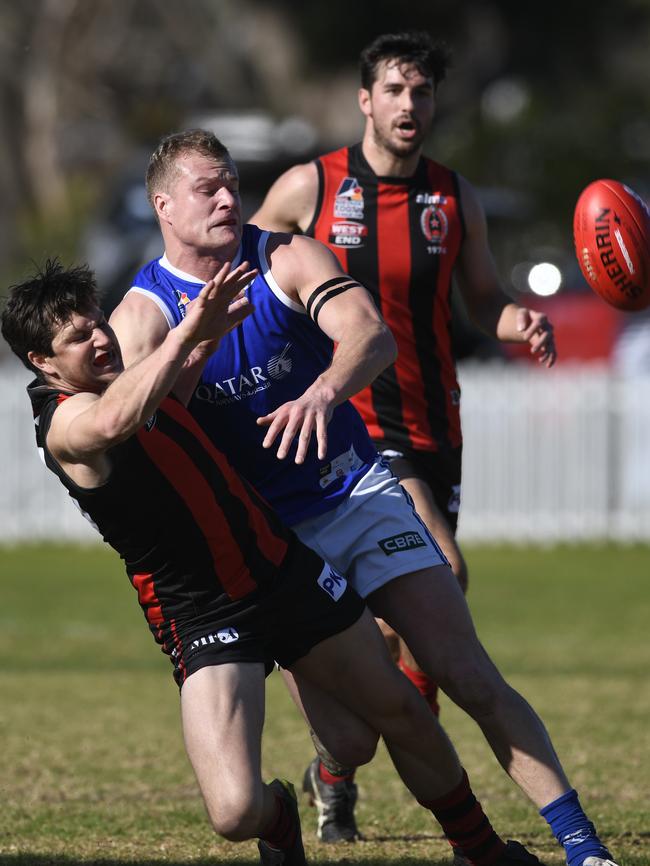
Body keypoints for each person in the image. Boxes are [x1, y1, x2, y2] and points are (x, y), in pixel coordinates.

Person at [108, 129, 617, 866]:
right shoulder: (142, 314)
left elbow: (371, 336)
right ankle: (320, 780)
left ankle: (580, 842)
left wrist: (322, 392)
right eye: (206, 189)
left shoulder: (282, 255)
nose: (227, 198)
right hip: (275, 544)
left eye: (230, 185)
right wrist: (197, 342)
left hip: (355, 491)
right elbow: (146, 433)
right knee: (351, 741)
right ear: (163, 206)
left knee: (467, 672)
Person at [3, 259, 551, 866]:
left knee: (395, 715)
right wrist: (187, 334)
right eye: (77, 338)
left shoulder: (128, 381)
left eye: (98, 323)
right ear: (42, 363)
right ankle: (281, 816)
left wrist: (207, 336)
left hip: (280, 570)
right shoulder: (66, 423)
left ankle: (481, 848)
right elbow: (116, 421)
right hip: (200, 613)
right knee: (234, 813)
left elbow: (169, 401)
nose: (101, 338)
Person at [251, 24, 560, 821]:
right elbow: (248, 280)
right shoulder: (309, 189)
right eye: (394, 89)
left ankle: (336, 767)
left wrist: (517, 320)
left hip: (434, 426)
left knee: (395, 628)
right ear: (365, 99)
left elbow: (482, 299)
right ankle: (429, 772)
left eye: (421, 91)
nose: (409, 104)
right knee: (446, 573)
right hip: (350, 423)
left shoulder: (454, 197)